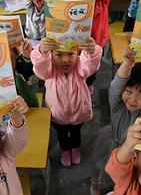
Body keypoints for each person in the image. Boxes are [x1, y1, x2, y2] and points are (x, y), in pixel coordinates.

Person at [90, 48, 141, 195]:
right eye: (129, 91)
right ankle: (95, 181)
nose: (133, 99)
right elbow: (117, 85)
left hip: (134, 152)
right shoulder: (117, 104)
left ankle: (118, 190)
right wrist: (127, 64)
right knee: (98, 163)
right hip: (110, 141)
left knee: (125, 175)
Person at [30, 37, 102, 167]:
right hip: (57, 116)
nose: (65, 60)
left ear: (78, 54)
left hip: (78, 114)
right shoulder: (49, 71)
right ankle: (65, 150)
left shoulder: (80, 68)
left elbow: (89, 65)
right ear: (51, 55)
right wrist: (41, 52)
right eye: (59, 55)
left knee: (76, 134)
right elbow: (39, 66)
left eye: (71, 54)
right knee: (61, 135)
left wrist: (91, 53)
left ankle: (75, 149)